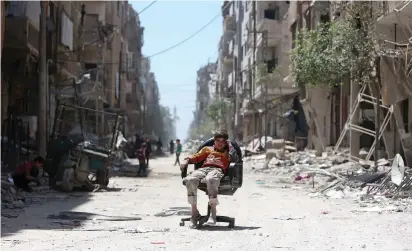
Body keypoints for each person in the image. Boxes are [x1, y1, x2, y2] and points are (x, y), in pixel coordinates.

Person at [180, 131, 238, 228]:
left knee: (211, 179)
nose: (220, 143)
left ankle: (213, 213)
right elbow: (196, 157)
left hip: (217, 170)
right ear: (214, 141)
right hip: (203, 169)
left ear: (225, 142)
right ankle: (194, 214)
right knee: (190, 179)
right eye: (217, 140)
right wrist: (186, 160)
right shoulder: (207, 149)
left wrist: (229, 146)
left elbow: (236, 159)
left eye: (222, 141)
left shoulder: (228, 151)